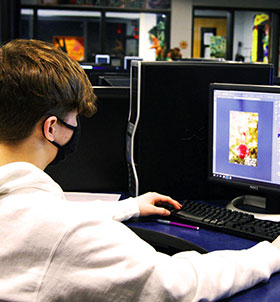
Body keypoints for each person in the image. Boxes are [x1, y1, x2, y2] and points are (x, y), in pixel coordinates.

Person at [0, 39, 280, 302]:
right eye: (72, 119)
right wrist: (271, 255)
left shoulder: (24, 211)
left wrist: (131, 206)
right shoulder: (61, 231)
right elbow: (178, 285)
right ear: (51, 128)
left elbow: (41, 219)